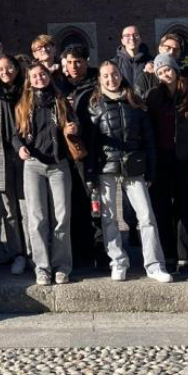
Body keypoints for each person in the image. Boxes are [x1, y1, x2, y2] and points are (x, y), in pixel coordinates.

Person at [80, 58, 172, 283]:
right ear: (99, 79)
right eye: (105, 76)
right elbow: (91, 144)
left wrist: (151, 170)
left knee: (146, 216)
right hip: (106, 167)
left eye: (114, 74)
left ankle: (154, 265)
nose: (111, 79)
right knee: (109, 217)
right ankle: (118, 261)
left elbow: (148, 140)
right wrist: (90, 173)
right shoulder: (95, 106)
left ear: (121, 76)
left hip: (134, 166)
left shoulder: (135, 102)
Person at [15, 61, 78, 285]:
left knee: (62, 217)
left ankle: (62, 266)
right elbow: (15, 134)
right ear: (29, 81)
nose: (39, 78)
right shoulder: (23, 104)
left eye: (42, 74)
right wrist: (19, 147)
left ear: (49, 76)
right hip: (33, 165)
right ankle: (42, 267)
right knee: (37, 218)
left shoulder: (60, 101)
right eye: (34, 76)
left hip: (58, 165)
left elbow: (74, 122)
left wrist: (73, 128)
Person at [144, 54, 188, 276]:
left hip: (184, 160)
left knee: (186, 208)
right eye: (160, 72)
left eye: (167, 69)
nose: (165, 74)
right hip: (160, 161)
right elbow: (147, 130)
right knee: (162, 209)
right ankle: (168, 255)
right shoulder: (153, 96)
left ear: (175, 70)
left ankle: (186, 255)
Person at [57, 43, 104, 270]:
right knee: (74, 202)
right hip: (70, 153)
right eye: (70, 62)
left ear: (87, 61)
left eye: (78, 62)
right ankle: (79, 252)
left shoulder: (97, 83)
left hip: (94, 150)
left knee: (96, 204)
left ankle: (100, 253)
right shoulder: (60, 86)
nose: (74, 66)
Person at [0, 55, 30, 274]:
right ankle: (17, 253)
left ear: (16, 68)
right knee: (9, 210)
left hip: (26, 156)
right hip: (0, 156)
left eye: (9, 67)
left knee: (28, 208)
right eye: (0, 69)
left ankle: (32, 251)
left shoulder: (26, 92)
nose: (5, 72)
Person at [134, 31, 184, 97]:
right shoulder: (146, 78)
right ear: (160, 48)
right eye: (168, 48)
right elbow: (138, 100)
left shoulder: (184, 75)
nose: (171, 52)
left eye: (176, 50)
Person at [112, 26, 150, 91]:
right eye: (127, 36)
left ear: (141, 39)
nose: (132, 38)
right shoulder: (114, 64)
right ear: (122, 41)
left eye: (136, 35)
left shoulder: (151, 62)